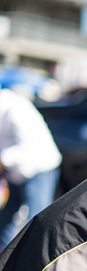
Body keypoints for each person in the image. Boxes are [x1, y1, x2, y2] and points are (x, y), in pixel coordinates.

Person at [0, 87, 62, 250]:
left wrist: (3, 160)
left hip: (40, 168)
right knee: (4, 222)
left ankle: (37, 261)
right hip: (15, 172)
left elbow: (30, 146)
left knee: (38, 220)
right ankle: (4, 263)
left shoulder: (15, 109)